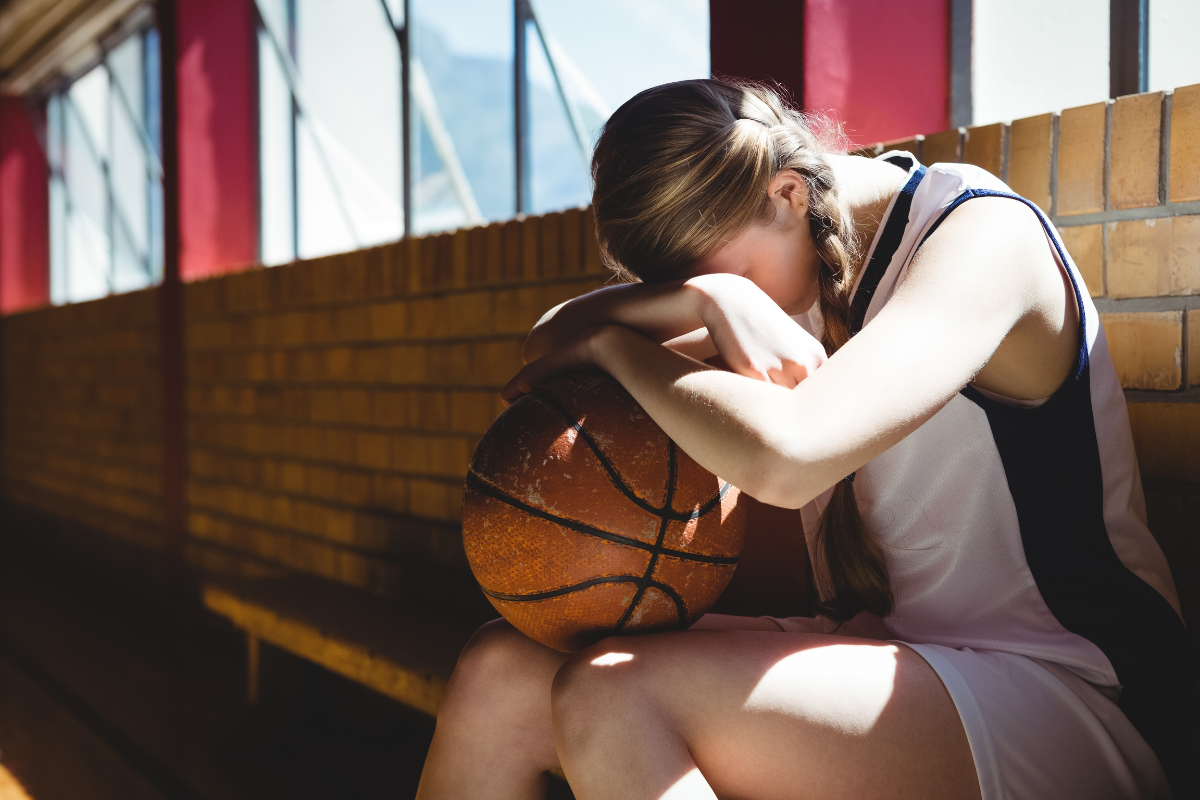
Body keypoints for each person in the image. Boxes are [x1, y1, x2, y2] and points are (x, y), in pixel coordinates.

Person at [416, 79, 1194, 800]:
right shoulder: (779, 269)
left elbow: (788, 458)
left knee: (614, 691)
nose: (727, 307)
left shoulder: (984, 239)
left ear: (787, 193)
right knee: (499, 673)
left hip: (1078, 691)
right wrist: (710, 294)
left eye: (725, 275)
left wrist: (621, 347)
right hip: (898, 656)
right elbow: (545, 349)